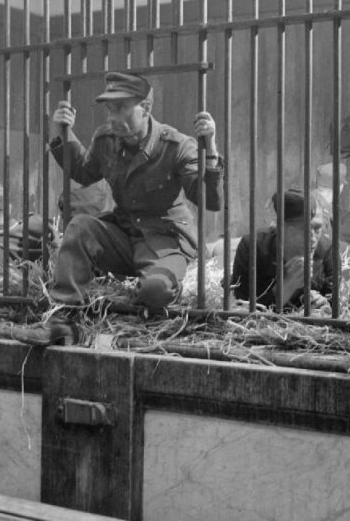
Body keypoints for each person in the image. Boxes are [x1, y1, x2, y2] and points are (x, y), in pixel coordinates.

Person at [13, 71, 224, 345]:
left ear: (145, 108)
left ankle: (153, 291)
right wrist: (64, 132)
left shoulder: (176, 146)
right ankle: (63, 319)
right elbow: (84, 172)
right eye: (109, 109)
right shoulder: (106, 140)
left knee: (155, 290)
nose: (112, 117)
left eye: (121, 108)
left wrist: (212, 148)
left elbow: (210, 200)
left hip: (165, 241)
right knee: (80, 226)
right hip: (124, 235)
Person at [230, 189, 333, 311]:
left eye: (317, 228)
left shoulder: (328, 250)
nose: (312, 238)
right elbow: (241, 310)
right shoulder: (253, 247)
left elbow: (336, 304)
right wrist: (286, 287)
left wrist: (326, 305)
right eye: (303, 229)